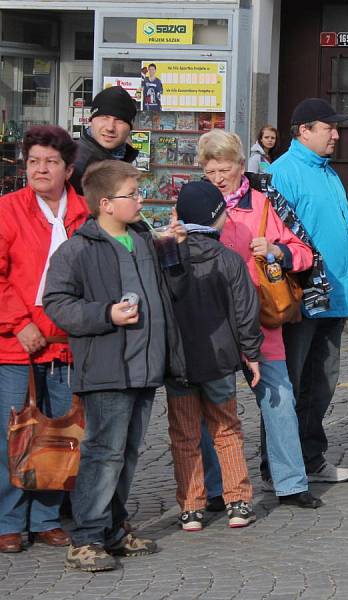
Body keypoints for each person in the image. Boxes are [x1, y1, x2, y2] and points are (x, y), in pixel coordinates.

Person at [44, 160, 188, 572]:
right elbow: (57, 303)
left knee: (125, 452)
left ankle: (112, 528)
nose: (140, 201)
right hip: (108, 367)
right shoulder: (78, 249)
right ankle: (87, 537)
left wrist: (173, 253)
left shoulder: (143, 240)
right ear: (106, 203)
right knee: (103, 453)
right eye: (133, 195)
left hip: (145, 365)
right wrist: (107, 314)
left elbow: (172, 291)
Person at [199, 129, 323, 508]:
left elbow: (304, 254)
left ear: (241, 166)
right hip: (213, 324)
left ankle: (291, 483)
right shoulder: (197, 204)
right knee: (213, 409)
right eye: (210, 171)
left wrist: (276, 251)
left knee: (279, 400)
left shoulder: (264, 204)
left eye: (225, 169)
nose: (219, 178)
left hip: (261, 320)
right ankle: (216, 488)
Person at [0, 126, 88, 554]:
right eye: (33, 161)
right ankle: (8, 521)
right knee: (14, 433)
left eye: (50, 162)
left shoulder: (85, 214)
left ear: (68, 169)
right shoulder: (8, 209)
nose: (40, 168)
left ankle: (47, 518)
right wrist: (19, 323)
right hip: (15, 343)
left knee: (60, 434)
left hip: (66, 343)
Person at [166, 181, 263, 531]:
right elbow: (245, 312)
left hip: (178, 361)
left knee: (185, 434)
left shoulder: (168, 257)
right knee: (226, 429)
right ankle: (237, 502)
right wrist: (250, 353)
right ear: (217, 218)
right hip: (221, 359)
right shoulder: (230, 260)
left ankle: (191, 507)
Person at [268, 98, 348, 483]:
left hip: (334, 297)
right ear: (304, 131)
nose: (336, 134)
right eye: (328, 127)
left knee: (322, 382)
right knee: (291, 383)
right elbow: (276, 238)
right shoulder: (283, 172)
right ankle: (279, 464)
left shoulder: (328, 171)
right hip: (302, 298)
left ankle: (311, 456)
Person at [70, 86, 139, 194]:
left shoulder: (122, 157)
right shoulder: (75, 165)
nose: (110, 127)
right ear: (90, 120)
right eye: (104, 117)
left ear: (130, 127)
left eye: (119, 120)